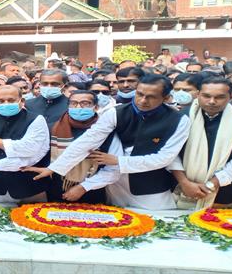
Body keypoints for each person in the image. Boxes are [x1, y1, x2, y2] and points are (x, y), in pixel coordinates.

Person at [34, 75, 190, 210]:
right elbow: (87, 141)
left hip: (150, 185)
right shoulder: (116, 112)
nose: (143, 100)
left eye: (151, 97)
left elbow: (165, 158)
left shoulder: (179, 120)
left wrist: (118, 161)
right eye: (140, 94)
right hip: (116, 184)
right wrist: (55, 168)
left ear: (166, 97)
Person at [169, 77, 232, 209]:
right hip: (182, 188)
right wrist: (185, 183)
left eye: (219, 97)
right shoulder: (180, 117)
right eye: (206, 96)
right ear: (198, 95)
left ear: (231, 96)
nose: (212, 102)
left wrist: (211, 185)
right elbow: (171, 154)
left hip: (222, 193)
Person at [43, 90, 108, 204]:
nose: (78, 107)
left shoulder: (106, 129)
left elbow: (111, 166)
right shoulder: (52, 128)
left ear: (96, 107)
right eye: (73, 103)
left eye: (85, 103)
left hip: (93, 186)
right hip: (58, 185)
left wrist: (84, 187)